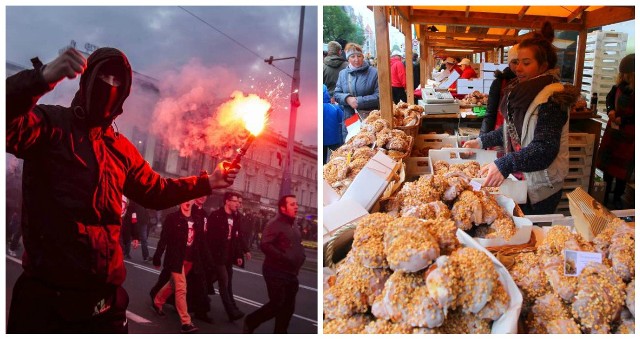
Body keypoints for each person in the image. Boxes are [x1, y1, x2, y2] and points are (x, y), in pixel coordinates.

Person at [5, 47, 239, 333]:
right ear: (87, 80)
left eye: (118, 82)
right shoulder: (50, 125)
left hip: (105, 300)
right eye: (104, 78)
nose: (110, 87)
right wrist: (41, 78)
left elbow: (156, 190)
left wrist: (207, 182)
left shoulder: (121, 149)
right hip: (47, 301)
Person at [463, 22, 580, 215]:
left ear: (543, 65)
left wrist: (505, 163)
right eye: (517, 62)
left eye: (526, 63)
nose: (518, 68)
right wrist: (481, 141)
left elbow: (545, 148)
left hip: (541, 186)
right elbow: (512, 131)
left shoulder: (551, 98)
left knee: (530, 234)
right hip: (520, 179)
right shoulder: (522, 92)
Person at [243, 195, 306, 334]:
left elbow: (297, 244)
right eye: (292, 204)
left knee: (289, 308)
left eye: (296, 204)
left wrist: (301, 256)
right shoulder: (274, 224)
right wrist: (284, 258)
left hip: (291, 272)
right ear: (283, 208)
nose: (296, 207)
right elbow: (265, 245)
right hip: (275, 270)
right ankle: (251, 321)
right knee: (277, 303)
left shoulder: (294, 225)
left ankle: (280, 332)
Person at [152, 200, 211, 333]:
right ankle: (186, 322)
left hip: (190, 260)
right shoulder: (172, 218)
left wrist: (208, 260)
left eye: (190, 199)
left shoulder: (196, 219)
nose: (187, 202)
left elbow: (201, 242)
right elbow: (164, 239)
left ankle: (157, 301)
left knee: (173, 285)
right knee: (181, 288)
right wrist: (157, 257)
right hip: (175, 259)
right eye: (185, 199)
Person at [596, 53, 635, 210]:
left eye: (627, 74)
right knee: (608, 165)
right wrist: (611, 111)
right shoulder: (617, 88)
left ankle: (617, 198)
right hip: (614, 133)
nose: (623, 76)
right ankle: (604, 196)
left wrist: (624, 120)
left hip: (630, 135)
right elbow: (609, 100)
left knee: (622, 170)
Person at [205, 192, 246, 321]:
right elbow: (209, 238)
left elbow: (235, 238)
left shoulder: (235, 217)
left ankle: (194, 297)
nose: (237, 204)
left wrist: (239, 255)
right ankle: (231, 312)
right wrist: (210, 257)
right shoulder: (216, 215)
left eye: (238, 202)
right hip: (217, 256)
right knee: (224, 281)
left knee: (211, 282)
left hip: (228, 256)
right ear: (227, 202)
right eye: (234, 201)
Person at [334, 42, 379, 125]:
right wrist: (347, 98)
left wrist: (359, 101)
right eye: (352, 56)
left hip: (370, 119)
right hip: (349, 119)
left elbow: (379, 96)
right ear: (348, 59)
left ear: (363, 56)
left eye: (359, 56)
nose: (356, 59)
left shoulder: (374, 73)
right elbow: (336, 94)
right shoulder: (343, 74)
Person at [480, 44, 519, 136]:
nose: (519, 67)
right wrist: (482, 138)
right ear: (509, 63)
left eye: (525, 63)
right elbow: (490, 113)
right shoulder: (499, 83)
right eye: (515, 62)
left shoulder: (531, 85)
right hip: (502, 134)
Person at [323, 84, 344, 164]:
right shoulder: (334, 108)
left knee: (322, 161)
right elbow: (341, 119)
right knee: (337, 158)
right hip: (334, 139)